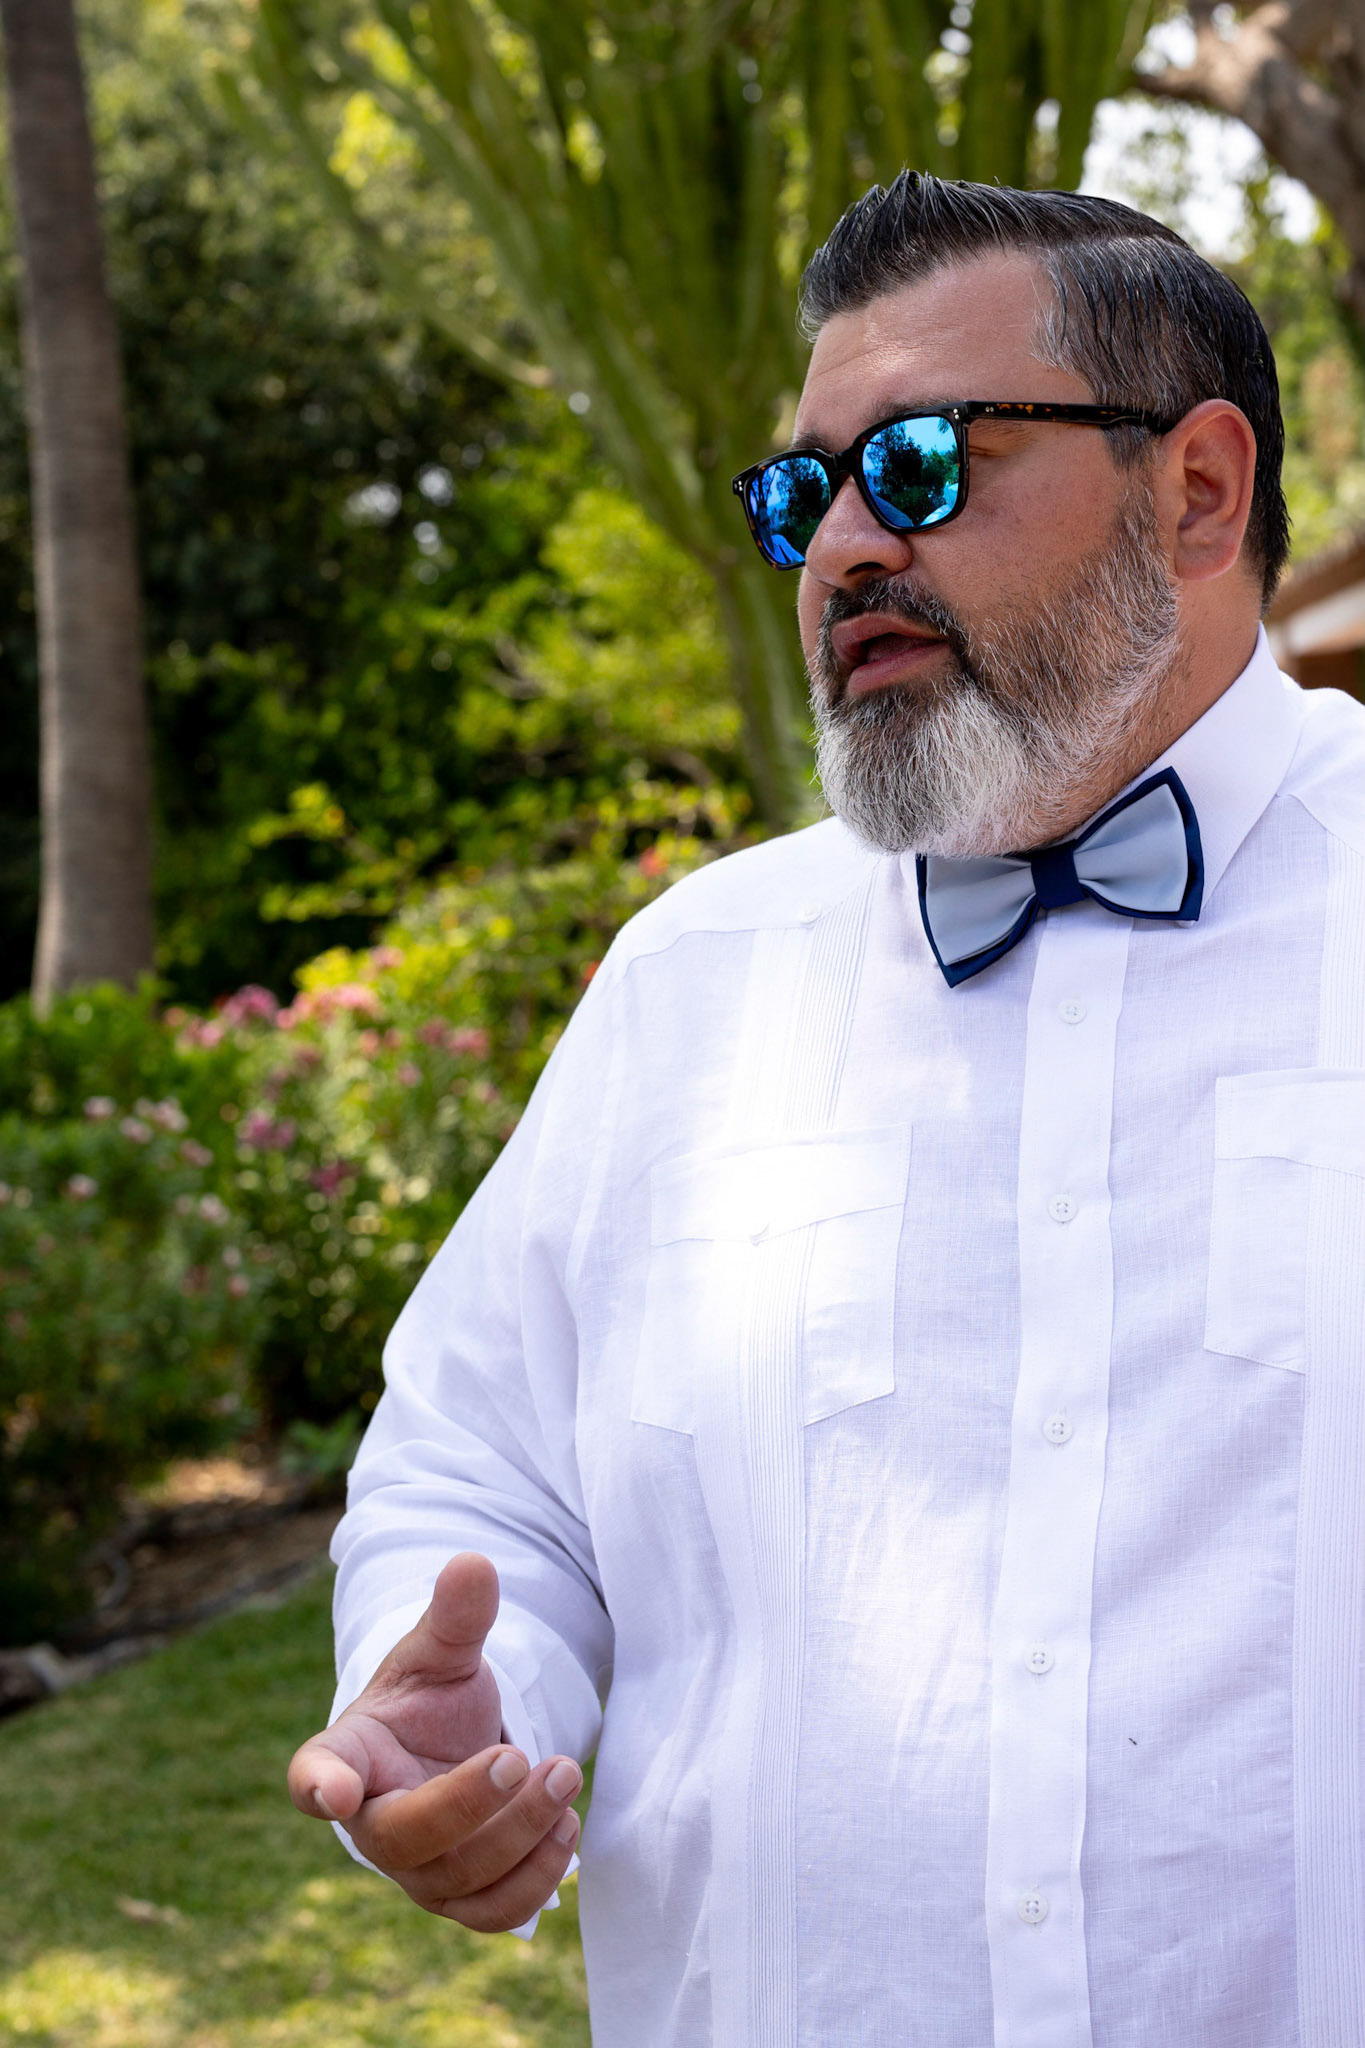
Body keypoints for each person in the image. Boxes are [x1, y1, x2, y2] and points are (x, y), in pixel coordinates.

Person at [287, 174, 1365, 2047]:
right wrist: (463, 1694)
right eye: (805, 495)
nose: (845, 546)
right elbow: (481, 1469)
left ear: (1195, 490)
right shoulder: (690, 982)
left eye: (924, 464)